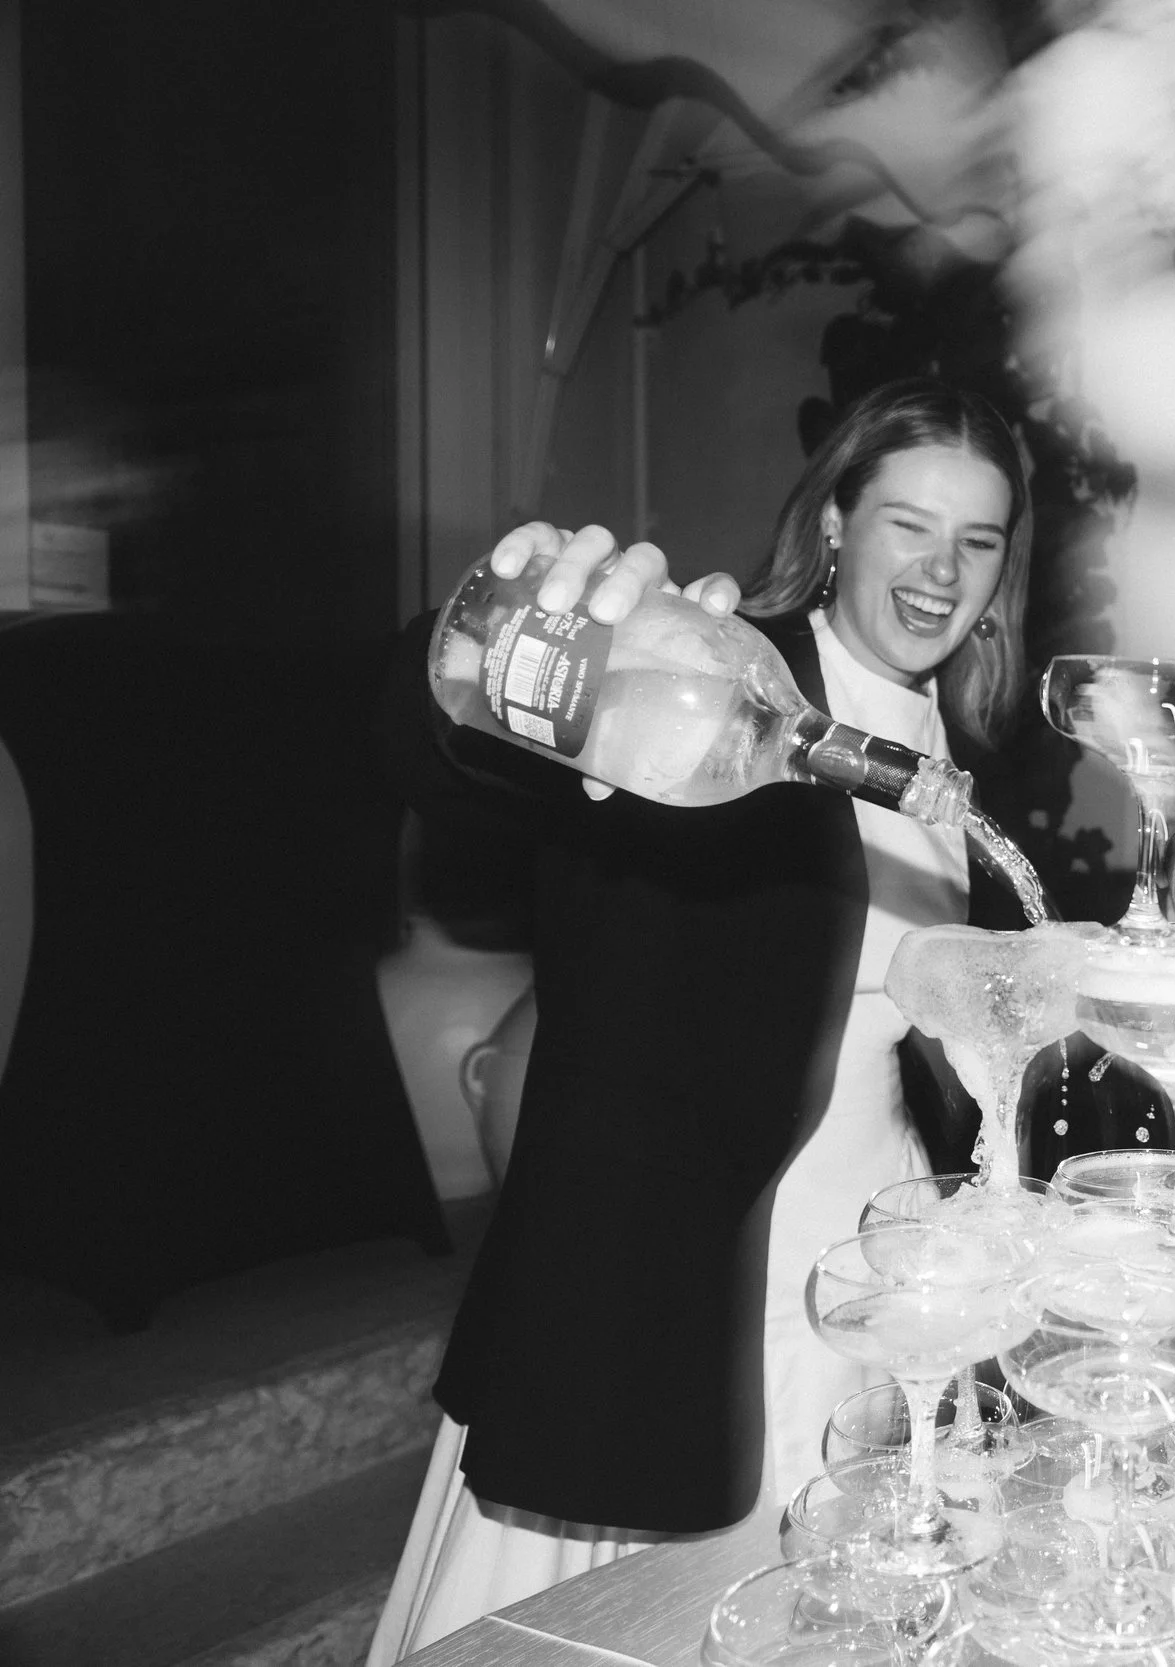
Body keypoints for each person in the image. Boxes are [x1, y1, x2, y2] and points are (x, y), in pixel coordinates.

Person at [368, 376, 1037, 1660]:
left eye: (978, 539)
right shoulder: (718, 675)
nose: (941, 569)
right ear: (835, 523)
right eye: (907, 523)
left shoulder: (952, 745)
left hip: (870, 1239)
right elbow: (454, 759)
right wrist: (496, 630)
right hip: (667, 1255)